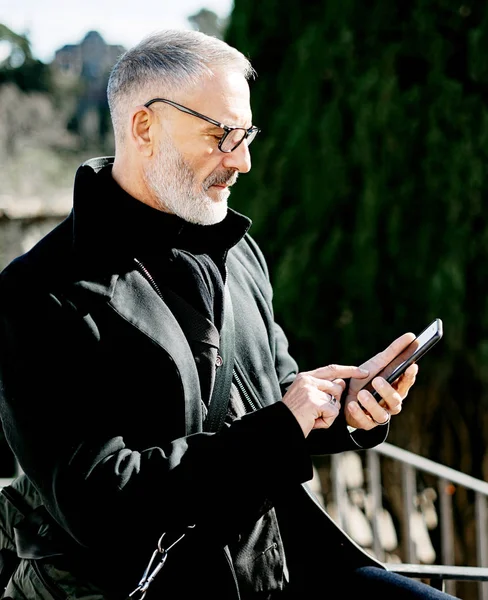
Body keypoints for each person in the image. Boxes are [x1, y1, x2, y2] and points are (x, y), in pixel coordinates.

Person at [0, 29, 457, 600]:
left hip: (273, 566)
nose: (241, 160)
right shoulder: (37, 292)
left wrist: (345, 408)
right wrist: (280, 427)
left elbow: (273, 393)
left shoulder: (240, 251)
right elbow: (97, 501)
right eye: (222, 135)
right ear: (145, 128)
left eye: (247, 135)